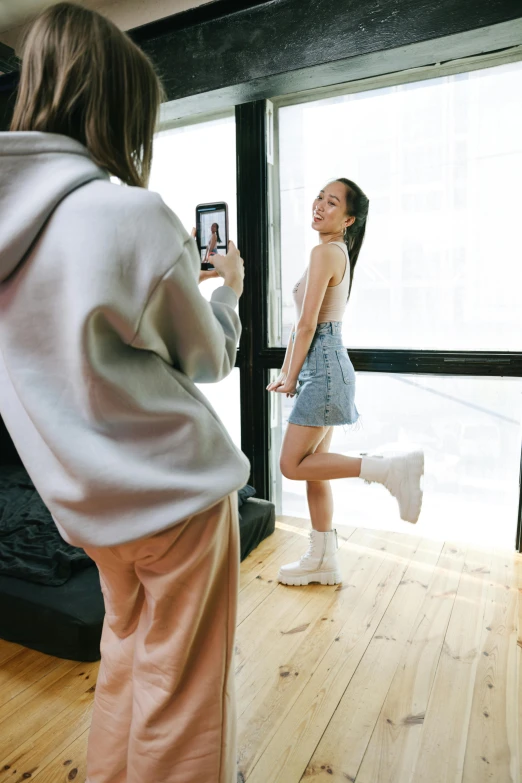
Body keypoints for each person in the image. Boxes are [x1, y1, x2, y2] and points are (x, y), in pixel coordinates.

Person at [0, 4, 248, 783]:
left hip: (88, 510)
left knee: (126, 660)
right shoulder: (129, 214)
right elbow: (207, 358)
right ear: (116, 106)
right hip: (177, 499)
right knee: (182, 691)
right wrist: (229, 293)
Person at [267, 179, 424, 586]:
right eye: (320, 196)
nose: (319, 204)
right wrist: (288, 373)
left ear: (348, 218)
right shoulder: (335, 251)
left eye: (331, 202)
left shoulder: (326, 252)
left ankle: (388, 469)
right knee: (314, 472)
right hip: (325, 368)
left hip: (324, 370)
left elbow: (306, 326)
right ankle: (324, 560)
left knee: (291, 465)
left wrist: (290, 375)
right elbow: (303, 329)